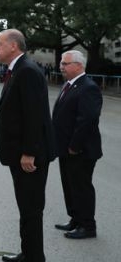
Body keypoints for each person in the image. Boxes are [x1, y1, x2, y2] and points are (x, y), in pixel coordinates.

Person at [0, 29, 55, 262]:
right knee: (26, 206)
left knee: (30, 208)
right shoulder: (19, 69)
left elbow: (33, 116)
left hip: (29, 156)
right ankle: (27, 253)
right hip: (22, 153)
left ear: (14, 46)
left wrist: (29, 152)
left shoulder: (27, 71)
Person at [52, 50, 103, 239]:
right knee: (69, 185)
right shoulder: (69, 85)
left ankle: (88, 226)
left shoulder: (88, 87)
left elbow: (87, 120)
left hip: (80, 150)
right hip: (66, 148)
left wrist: (75, 145)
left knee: (81, 187)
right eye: (61, 64)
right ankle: (75, 218)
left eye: (65, 64)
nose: (61, 67)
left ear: (79, 65)